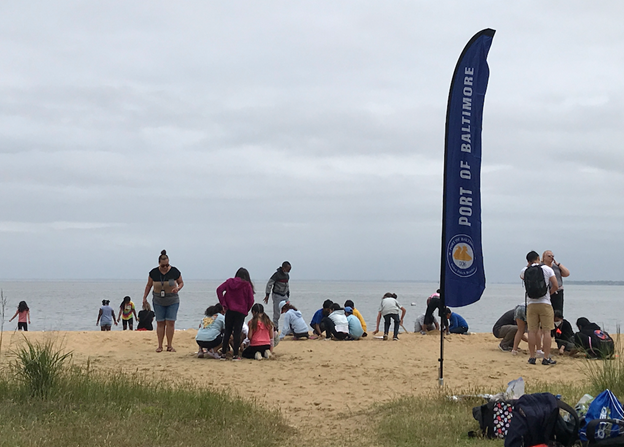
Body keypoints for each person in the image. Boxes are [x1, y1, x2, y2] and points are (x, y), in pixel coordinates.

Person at [520, 250, 559, 366]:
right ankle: (546, 358)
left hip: (531, 303)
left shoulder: (525, 271)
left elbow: (522, 277)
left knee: (532, 330)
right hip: (545, 303)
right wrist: (549, 293)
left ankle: (532, 357)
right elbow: (556, 285)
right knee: (547, 331)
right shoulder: (547, 269)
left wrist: (528, 265)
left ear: (528, 261)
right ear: (538, 258)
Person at [142, 250, 184, 353]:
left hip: (172, 299)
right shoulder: (153, 272)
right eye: (163, 265)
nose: (165, 267)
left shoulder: (174, 271)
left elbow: (181, 283)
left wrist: (178, 288)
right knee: (160, 322)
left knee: (170, 322)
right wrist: (144, 297)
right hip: (158, 299)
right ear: (159, 263)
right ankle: (160, 345)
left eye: (167, 265)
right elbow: (149, 285)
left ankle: (169, 345)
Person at [217, 267, 256, 361]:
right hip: (240, 311)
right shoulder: (246, 285)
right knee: (237, 332)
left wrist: (224, 304)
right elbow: (251, 300)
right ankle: (235, 355)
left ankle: (223, 354)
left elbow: (219, 290)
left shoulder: (229, 282)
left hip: (229, 309)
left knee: (227, 331)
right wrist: (246, 309)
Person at [264, 261, 291, 328]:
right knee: (277, 313)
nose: (288, 271)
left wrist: (288, 294)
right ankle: (275, 328)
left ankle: (290, 328)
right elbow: (269, 284)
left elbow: (287, 286)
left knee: (290, 311)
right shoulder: (276, 275)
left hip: (285, 295)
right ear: (283, 268)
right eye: (288, 270)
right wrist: (267, 295)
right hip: (277, 295)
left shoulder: (287, 276)